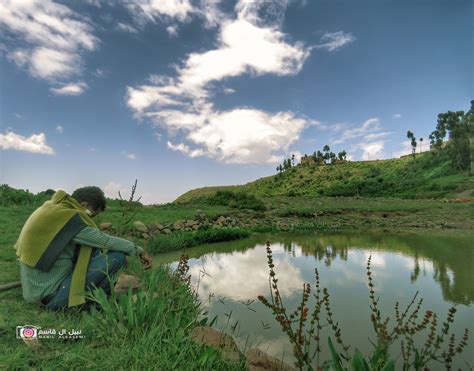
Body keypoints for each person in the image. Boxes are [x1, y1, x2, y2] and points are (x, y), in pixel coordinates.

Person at [14, 186, 153, 310]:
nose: (91, 219)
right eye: (93, 214)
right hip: (52, 297)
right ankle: (95, 301)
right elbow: (104, 240)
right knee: (118, 257)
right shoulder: (70, 220)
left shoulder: (51, 209)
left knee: (94, 251)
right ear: (83, 204)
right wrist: (139, 251)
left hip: (33, 292)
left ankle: (96, 297)